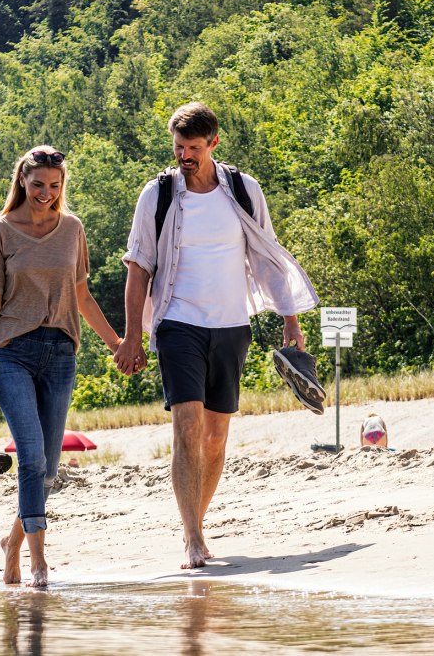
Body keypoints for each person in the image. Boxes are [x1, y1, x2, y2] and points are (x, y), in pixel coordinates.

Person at [113, 102, 323, 569]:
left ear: (213, 143)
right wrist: (132, 335)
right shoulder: (159, 195)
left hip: (231, 325)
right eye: (178, 147)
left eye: (193, 148)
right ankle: (191, 538)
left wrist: (290, 317)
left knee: (215, 437)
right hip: (177, 322)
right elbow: (138, 267)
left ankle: (198, 524)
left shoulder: (244, 190)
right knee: (186, 426)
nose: (184, 156)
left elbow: (267, 256)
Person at [0, 145, 123, 588]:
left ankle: (12, 541)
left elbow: (83, 295)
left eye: (54, 187)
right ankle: (38, 564)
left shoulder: (72, 228)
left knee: (48, 469)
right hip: (10, 353)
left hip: (60, 354)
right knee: (31, 458)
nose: (46, 193)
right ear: (22, 180)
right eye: (38, 185)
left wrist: (116, 343)